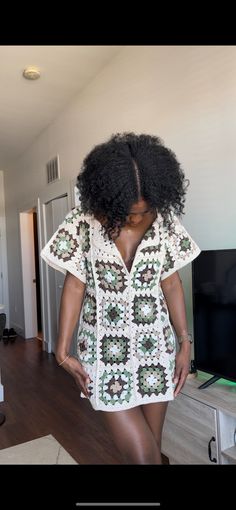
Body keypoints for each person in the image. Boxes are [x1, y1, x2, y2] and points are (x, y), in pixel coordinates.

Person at [40, 132, 201, 464]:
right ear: (109, 197)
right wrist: (61, 347)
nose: (138, 219)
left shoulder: (166, 222)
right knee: (144, 457)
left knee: (150, 450)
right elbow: (74, 285)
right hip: (103, 351)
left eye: (145, 211)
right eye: (129, 212)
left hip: (156, 348)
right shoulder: (82, 222)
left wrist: (185, 342)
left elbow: (171, 285)